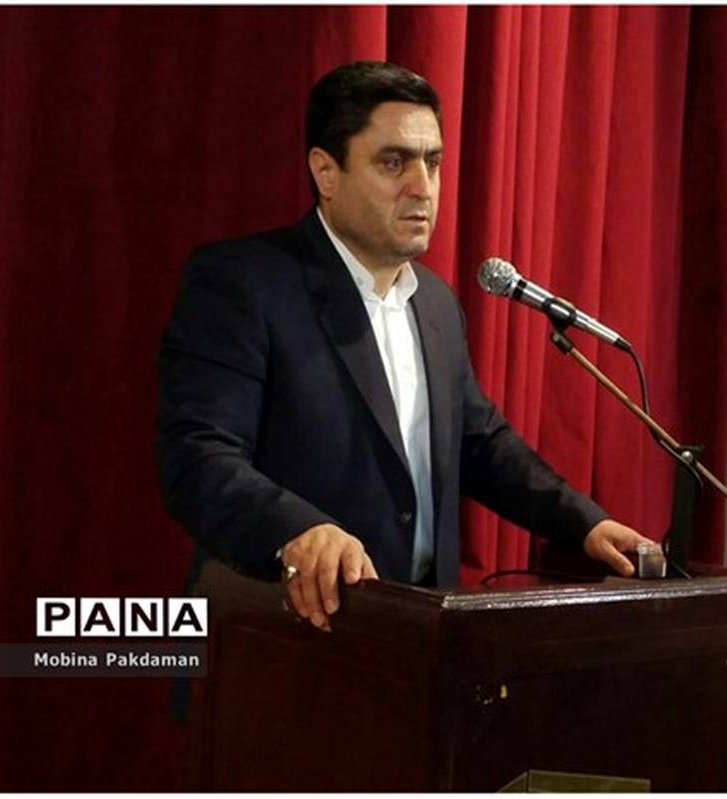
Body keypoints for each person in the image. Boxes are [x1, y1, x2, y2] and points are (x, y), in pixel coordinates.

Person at [156, 61, 651, 630]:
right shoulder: (244, 284)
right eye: (394, 162)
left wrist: (585, 525)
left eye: (432, 162)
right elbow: (198, 456)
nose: (422, 187)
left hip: (418, 632)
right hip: (288, 634)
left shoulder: (435, 303)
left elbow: (480, 445)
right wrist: (297, 529)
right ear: (326, 172)